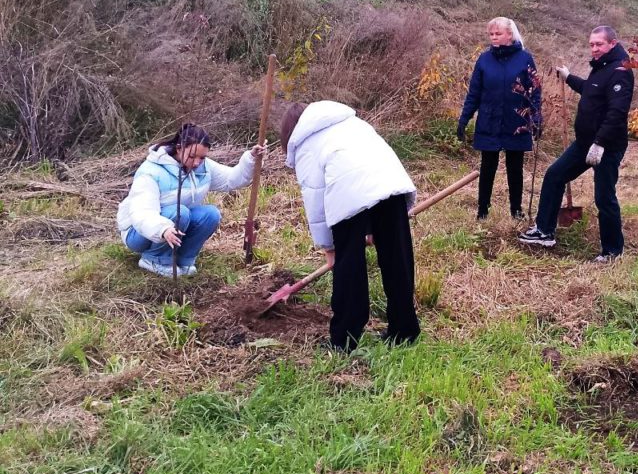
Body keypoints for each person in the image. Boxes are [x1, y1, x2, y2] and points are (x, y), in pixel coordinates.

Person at [281, 101, 420, 352]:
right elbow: (366, 173)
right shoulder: (351, 122)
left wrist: (330, 249)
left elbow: (316, 203)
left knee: (349, 269)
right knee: (397, 260)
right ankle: (404, 330)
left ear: (290, 131)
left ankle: (344, 340)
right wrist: (375, 227)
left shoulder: (306, 145)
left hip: (348, 193)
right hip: (391, 185)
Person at [518, 25, 634, 262]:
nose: (594, 49)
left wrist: (600, 143)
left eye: (599, 44)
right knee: (554, 175)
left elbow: (617, 112)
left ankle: (613, 251)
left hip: (607, 146)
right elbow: (590, 91)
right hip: (584, 143)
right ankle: (544, 231)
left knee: (604, 197)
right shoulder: (601, 67)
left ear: (612, 43)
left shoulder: (620, 70)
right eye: (591, 44)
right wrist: (569, 77)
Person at [117, 123, 264, 278]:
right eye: (192, 156)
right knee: (180, 212)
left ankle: (183, 259)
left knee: (210, 214)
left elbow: (231, 180)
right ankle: (155, 260)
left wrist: (251, 159)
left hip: (175, 224)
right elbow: (142, 212)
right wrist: (163, 229)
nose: (196, 163)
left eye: (202, 157)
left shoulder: (203, 167)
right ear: (179, 148)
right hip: (140, 233)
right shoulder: (151, 172)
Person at [457, 17, 541, 220]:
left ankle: (516, 210)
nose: (494, 38)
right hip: (489, 119)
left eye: (498, 34)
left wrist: (536, 119)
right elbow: (474, 93)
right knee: (488, 167)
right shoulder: (484, 59)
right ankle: (482, 211)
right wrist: (464, 118)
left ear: (509, 35)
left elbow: (534, 92)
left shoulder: (525, 58)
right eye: (491, 34)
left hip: (516, 122)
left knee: (515, 168)